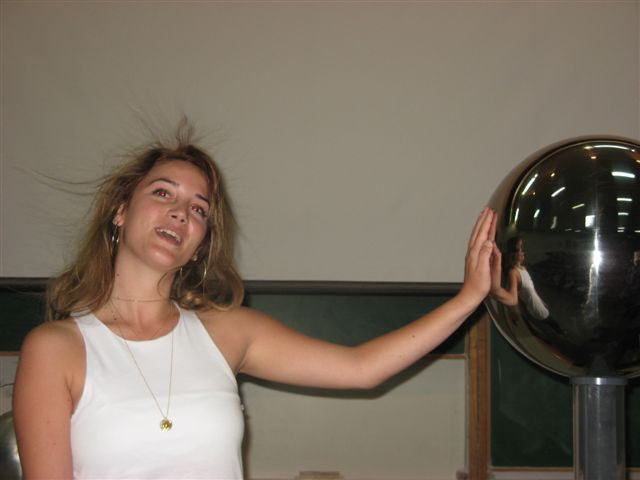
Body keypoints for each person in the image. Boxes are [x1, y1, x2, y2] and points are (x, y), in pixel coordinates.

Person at [13, 122, 497, 479]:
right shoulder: (56, 349)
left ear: (200, 242)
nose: (181, 213)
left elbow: (361, 368)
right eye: (163, 193)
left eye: (199, 209)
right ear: (121, 210)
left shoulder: (228, 331)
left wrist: (468, 298)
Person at [490, 236, 549, 320]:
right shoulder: (513, 272)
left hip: (542, 309)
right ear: (513, 253)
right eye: (520, 248)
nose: (523, 251)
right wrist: (495, 289)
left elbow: (532, 290)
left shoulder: (523, 268)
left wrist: (541, 301)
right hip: (537, 315)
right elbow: (513, 299)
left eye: (522, 248)